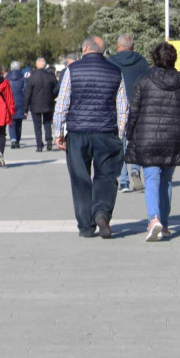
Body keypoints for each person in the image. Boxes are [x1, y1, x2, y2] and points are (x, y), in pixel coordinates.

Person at [53, 36, 128, 239]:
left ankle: (86, 226)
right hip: (106, 132)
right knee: (106, 176)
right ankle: (102, 213)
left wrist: (58, 133)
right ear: (102, 51)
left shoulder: (72, 70)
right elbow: (123, 107)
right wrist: (120, 134)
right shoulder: (115, 71)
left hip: (78, 133)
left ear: (85, 48)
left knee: (80, 178)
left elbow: (63, 103)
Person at [125, 42, 180, 242]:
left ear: (154, 59)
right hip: (174, 138)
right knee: (166, 180)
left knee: (152, 179)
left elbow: (135, 110)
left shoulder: (144, 80)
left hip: (147, 137)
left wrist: (129, 133)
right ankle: (164, 224)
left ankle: (153, 218)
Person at [109, 33, 150, 193]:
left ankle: (124, 181)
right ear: (132, 46)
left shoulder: (111, 62)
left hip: (117, 107)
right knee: (135, 141)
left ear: (119, 46)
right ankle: (135, 169)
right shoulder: (141, 61)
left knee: (121, 141)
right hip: (138, 106)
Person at [24, 57, 58, 152]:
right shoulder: (51, 76)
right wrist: (52, 96)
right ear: (45, 65)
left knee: (37, 125)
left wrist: (25, 108)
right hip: (48, 103)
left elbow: (27, 94)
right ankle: (49, 139)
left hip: (35, 104)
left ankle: (39, 145)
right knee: (47, 122)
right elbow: (57, 88)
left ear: (36, 65)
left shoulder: (31, 78)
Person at [6, 61, 27, 149]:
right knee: (19, 122)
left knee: (11, 122)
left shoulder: (6, 79)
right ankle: (17, 139)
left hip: (10, 102)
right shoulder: (23, 78)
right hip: (21, 101)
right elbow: (25, 91)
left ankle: (13, 139)